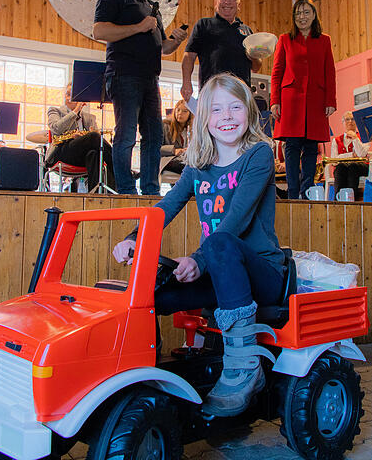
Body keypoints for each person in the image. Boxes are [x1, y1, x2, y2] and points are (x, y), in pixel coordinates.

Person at [112, 74, 285, 417]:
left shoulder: (259, 155)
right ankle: (143, 381)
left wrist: (198, 260)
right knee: (154, 295)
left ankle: (244, 367)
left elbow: (236, 221)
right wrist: (134, 238)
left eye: (236, 107)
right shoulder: (197, 167)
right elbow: (167, 206)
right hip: (220, 272)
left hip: (263, 275)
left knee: (220, 239)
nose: (227, 116)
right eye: (217, 109)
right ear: (204, 117)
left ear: (249, 112)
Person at [93, 0, 188, 195]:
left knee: (154, 137)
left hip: (150, 79)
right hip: (124, 75)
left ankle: (150, 190)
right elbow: (100, 32)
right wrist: (138, 26)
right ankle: (125, 190)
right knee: (126, 135)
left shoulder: (151, 6)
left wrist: (176, 40)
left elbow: (163, 47)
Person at [270, 0, 337, 199]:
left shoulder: (324, 40)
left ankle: (307, 191)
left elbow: (330, 72)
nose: (302, 16)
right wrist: (275, 100)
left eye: (306, 12)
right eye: (298, 13)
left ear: (314, 15)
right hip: (290, 99)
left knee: (310, 147)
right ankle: (292, 193)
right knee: (291, 147)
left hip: (316, 100)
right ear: (294, 17)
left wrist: (330, 101)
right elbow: (277, 71)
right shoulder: (285, 39)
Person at [180, 0, 262, 101]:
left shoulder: (247, 31)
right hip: (212, 92)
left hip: (241, 95)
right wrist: (186, 82)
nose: (227, 2)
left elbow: (256, 67)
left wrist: (253, 56)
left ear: (238, 5)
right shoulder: (204, 25)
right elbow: (189, 56)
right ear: (215, 3)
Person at [46, 83, 115, 191]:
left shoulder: (89, 118)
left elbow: (95, 140)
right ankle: (121, 169)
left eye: (71, 95)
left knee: (94, 153)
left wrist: (87, 136)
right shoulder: (55, 111)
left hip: (82, 156)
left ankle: (96, 194)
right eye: (66, 94)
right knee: (93, 137)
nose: (67, 98)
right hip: (62, 152)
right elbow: (56, 128)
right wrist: (75, 111)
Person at [330, 112, 369, 197]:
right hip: (344, 166)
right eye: (347, 119)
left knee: (353, 166)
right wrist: (351, 155)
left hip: (361, 166)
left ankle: (351, 198)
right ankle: (339, 198)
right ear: (343, 123)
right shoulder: (336, 140)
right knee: (340, 167)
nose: (350, 122)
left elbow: (361, 154)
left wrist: (355, 139)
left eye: (353, 119)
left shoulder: (364, 137)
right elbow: (334, 160)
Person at [160, 99, 193, 177]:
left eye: (185, 111)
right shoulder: (165, 125)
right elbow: (155, 148)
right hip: (169, 161)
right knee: (190, 168)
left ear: (190, 114)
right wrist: (173, 150)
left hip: (185, 160)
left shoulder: (191, 129)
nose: (180, 113)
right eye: (178, 110)